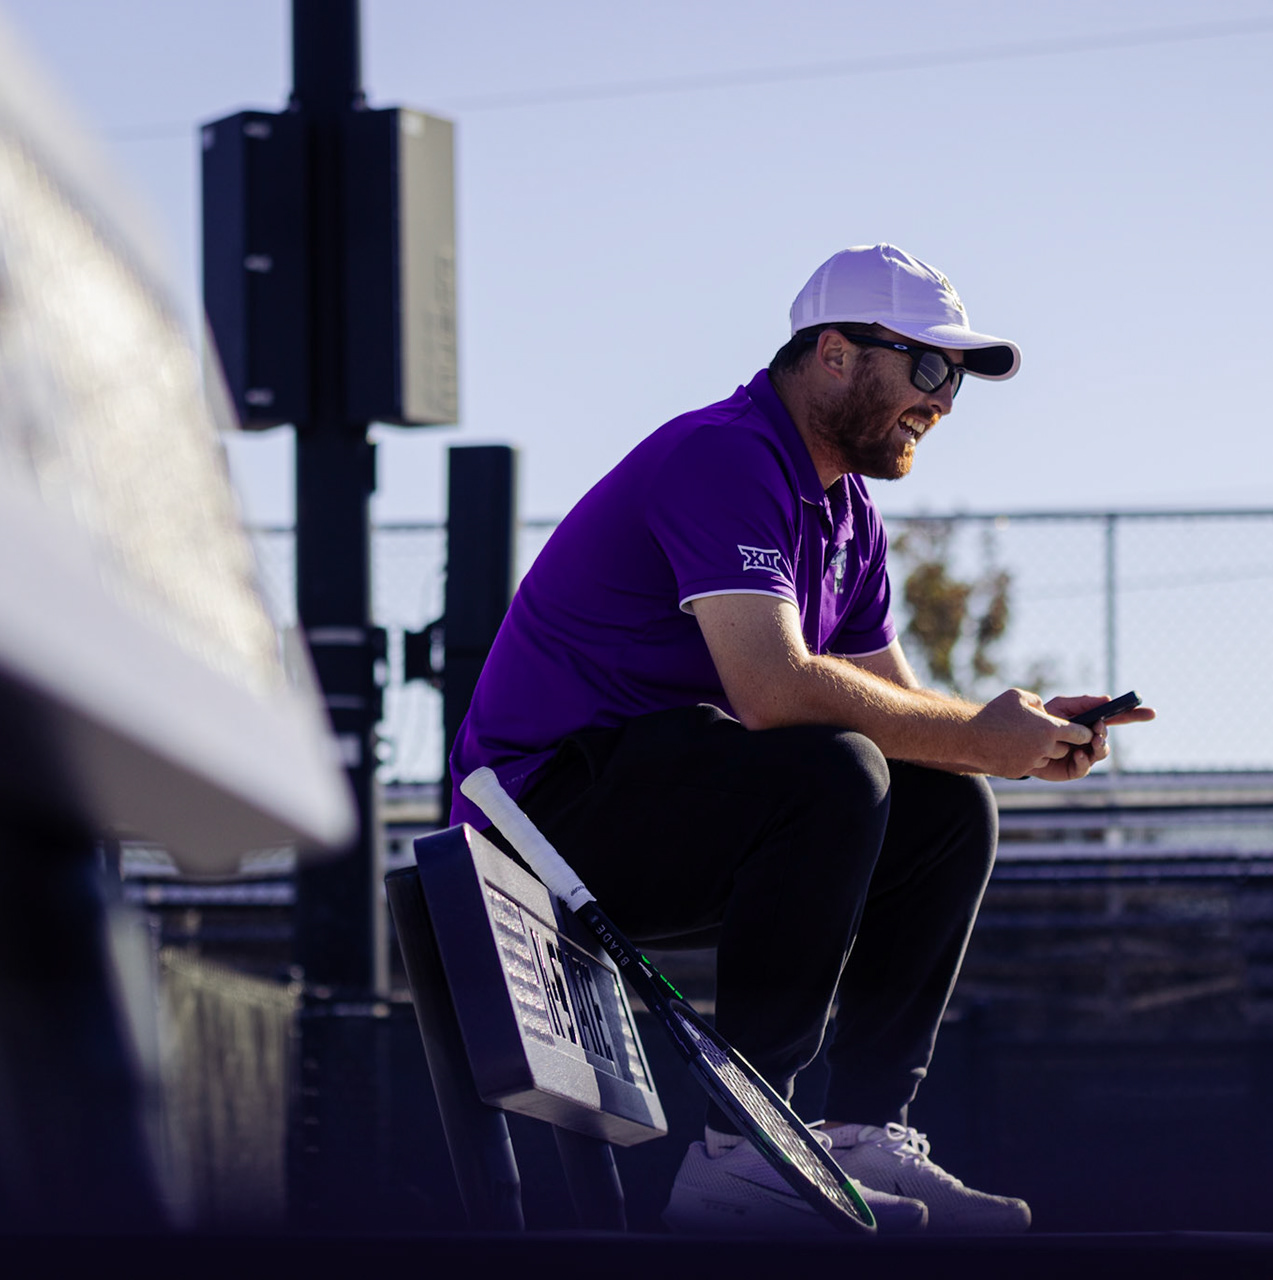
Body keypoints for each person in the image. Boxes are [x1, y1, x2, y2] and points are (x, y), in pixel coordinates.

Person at [448, 243, 1152, 1234]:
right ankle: (745, 1146)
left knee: (947, 806)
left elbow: (912, 725)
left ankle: (861, 1129)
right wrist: (975, 731)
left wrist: (1020, 737)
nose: (942, 400)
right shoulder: (724, 455)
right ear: (834, 353)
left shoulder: (851, 518)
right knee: (835, 765)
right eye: (929, 366)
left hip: (652, 814)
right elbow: (774, 689)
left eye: (956, 379)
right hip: (532, 821)